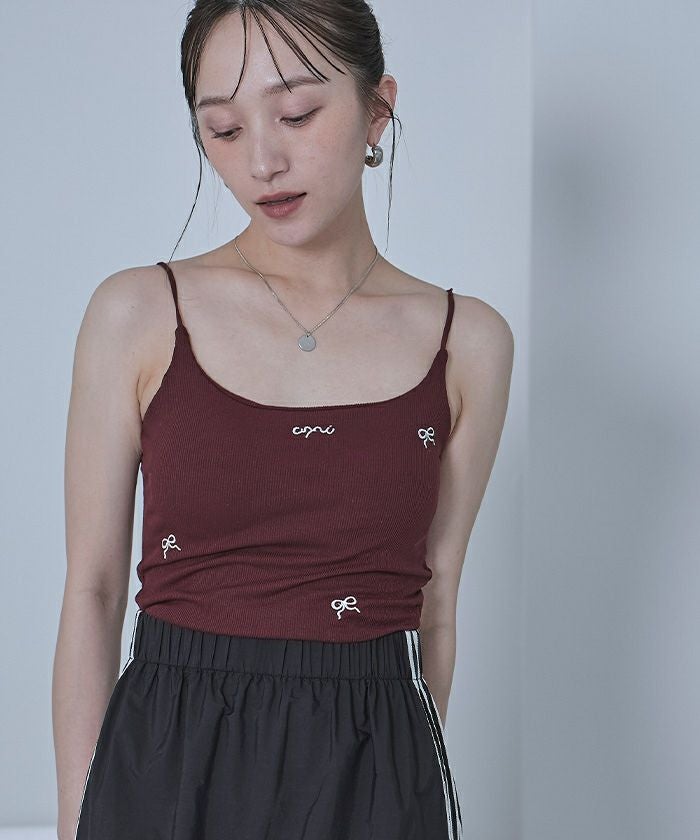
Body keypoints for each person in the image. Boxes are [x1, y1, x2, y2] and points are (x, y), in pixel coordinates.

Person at [52, 2, 514, 838]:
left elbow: (437, 594)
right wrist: (76, 820)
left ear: (377, 110)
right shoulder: (138, 314)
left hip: (375, 765)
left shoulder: (468, 341)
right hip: (168, 760)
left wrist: (404, 784)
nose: (263, 160)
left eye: (297, 114)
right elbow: (92, 590)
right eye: (224, 130)